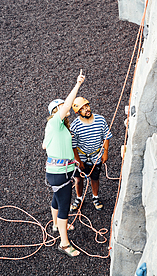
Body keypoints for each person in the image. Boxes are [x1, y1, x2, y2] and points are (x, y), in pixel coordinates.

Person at [42, 70, 85, 258]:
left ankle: (55, 225)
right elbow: (68, 104)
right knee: (64, 206)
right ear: (55, 112)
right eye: (60, 108)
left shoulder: (57, 128)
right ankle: (64, 243)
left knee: (56, 200)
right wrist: (77, 84)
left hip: (59, 171)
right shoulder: (54, 124)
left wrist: (70, 158)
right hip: (60, 173)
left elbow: (45, 146)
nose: (64, 109)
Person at [70, 97, 112, 211]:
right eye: (83, 109)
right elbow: (73, 145)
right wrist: (78, 160)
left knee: (95, 177)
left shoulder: (100, 120)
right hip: (82, 156)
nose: (86, 110)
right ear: (78, 112)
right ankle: (78, 198)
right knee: (78, 179)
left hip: (96, 155)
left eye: (87, 106)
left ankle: (95, 197)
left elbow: (106, 136)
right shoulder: (75, 125)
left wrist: (105, 152)